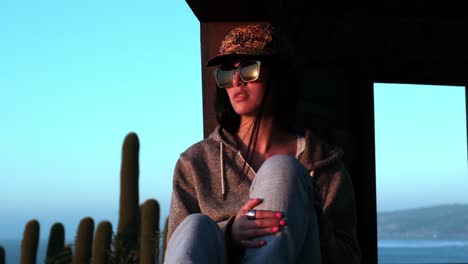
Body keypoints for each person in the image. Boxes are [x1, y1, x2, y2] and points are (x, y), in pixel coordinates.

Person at [164, 23, 361, 263]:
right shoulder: (195, 162)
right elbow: (180, 246)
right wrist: (230, 232)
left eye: (249, 70)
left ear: (278, 76)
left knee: (284, 169)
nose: (236, 82)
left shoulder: (324, 165)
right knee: (195, 225)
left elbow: (348, 257)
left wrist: (308, 216)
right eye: (226, 73)